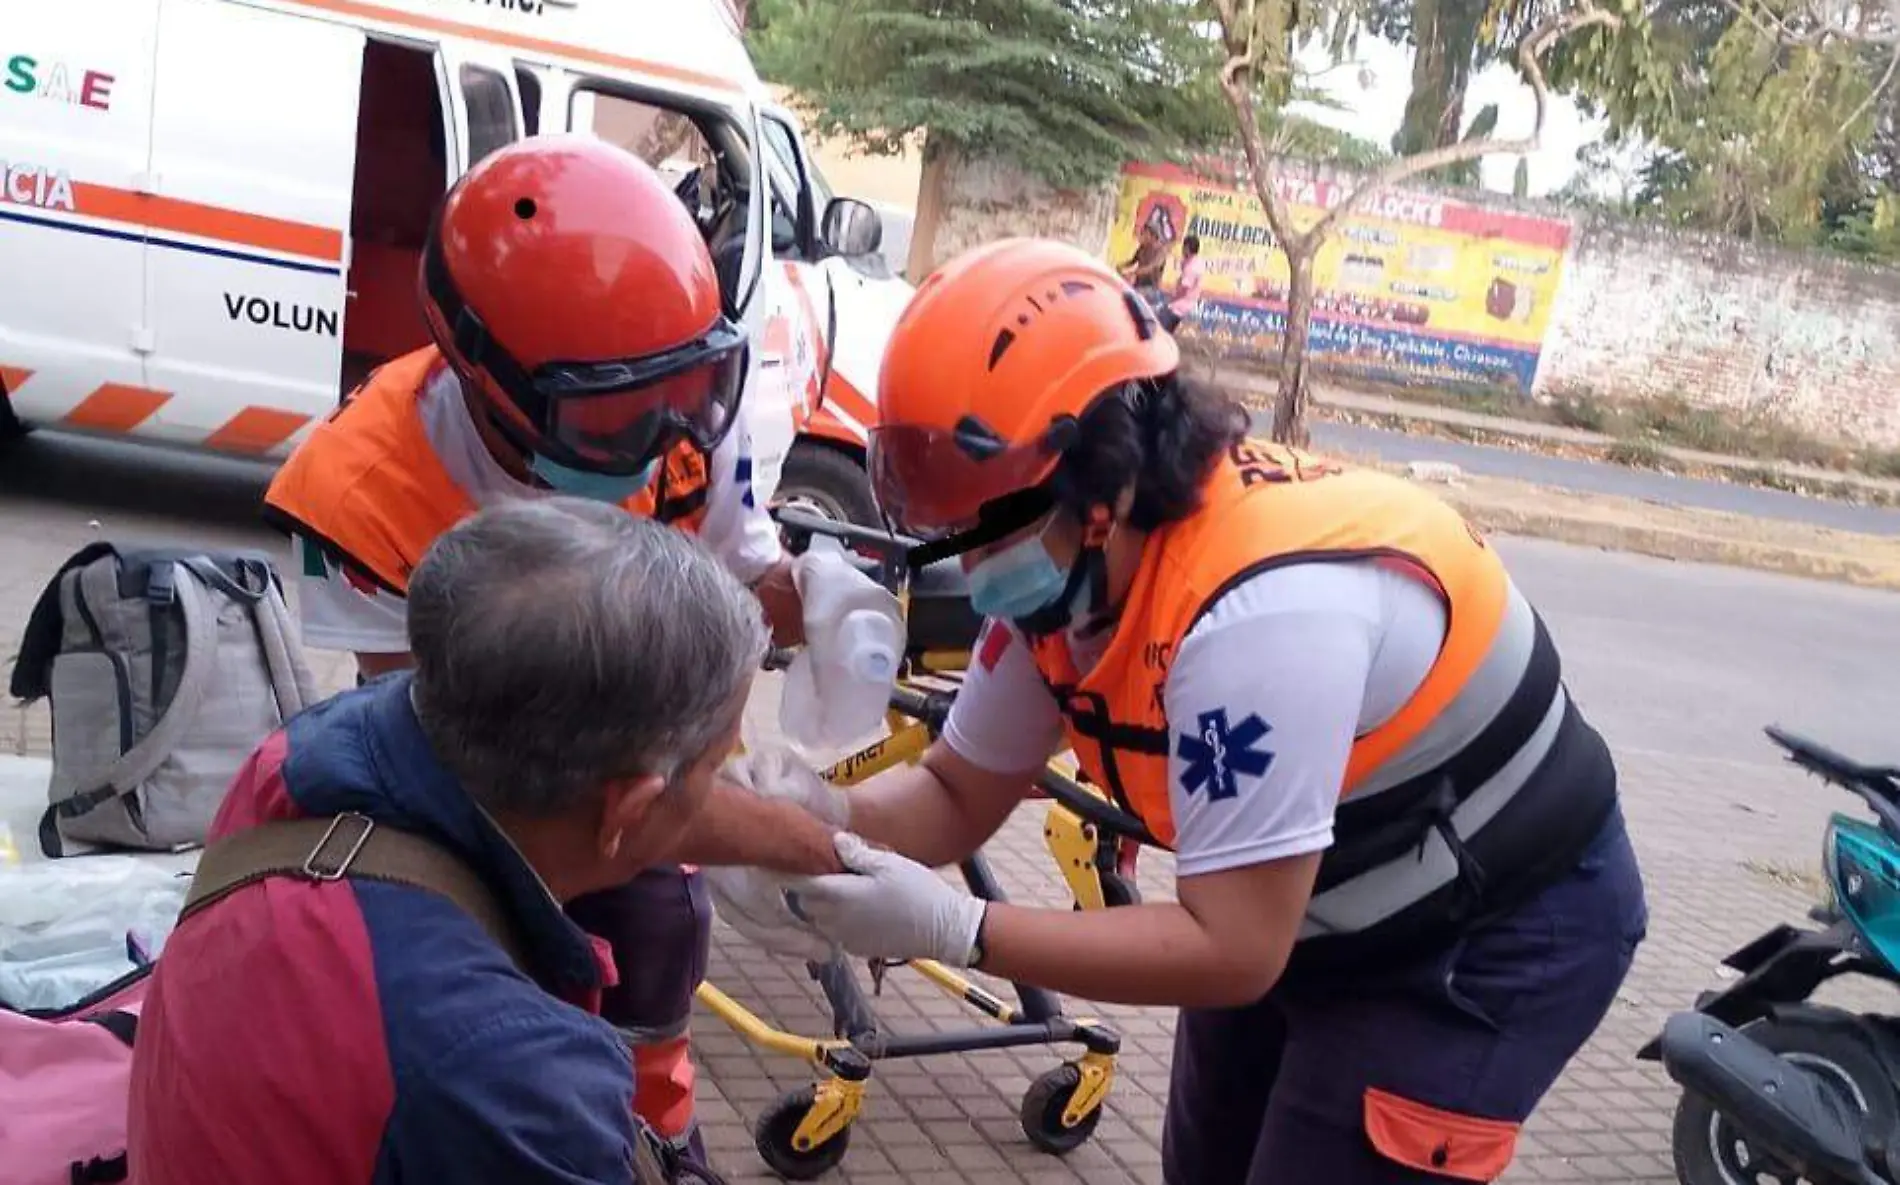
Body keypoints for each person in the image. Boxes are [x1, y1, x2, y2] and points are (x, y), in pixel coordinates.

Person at [739, 239, 1650, 1183]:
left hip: (1488, 928)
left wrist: (958, 928)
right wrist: (821, 820)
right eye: (949, 529)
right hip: (1295, 895)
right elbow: (956, 794)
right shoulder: (1062, 583)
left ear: (1105, 489)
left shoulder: (1262, 618)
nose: (968, 570)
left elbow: (1232, 948)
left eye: (987, 530)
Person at [259, 133, 862, 1158]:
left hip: (638, 780)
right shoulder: (362, 491)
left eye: (679, 397)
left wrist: (828, 603)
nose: (658, 440)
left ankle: (655, 1133)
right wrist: (818, 845)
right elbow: (477, 784)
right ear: (487, 382)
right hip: (490, 810)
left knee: (659, 933)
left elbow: (749, 579)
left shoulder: (684, 411)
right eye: (605, 416)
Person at [127, 499, 770, 1183]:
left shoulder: (298, 763)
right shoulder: (512, 1075)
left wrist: (822, 843)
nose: (723, 784)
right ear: (630, 809)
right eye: (716, 763)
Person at [1159, 233, 1203, 334]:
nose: (1182, 249)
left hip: (1180, 306)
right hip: (1184, 303)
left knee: (1161, 328)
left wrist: (1171, 298)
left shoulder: (1191, 268)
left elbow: (1184, 288)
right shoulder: (1195, 261)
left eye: (1184, 247)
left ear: (1187, 248)